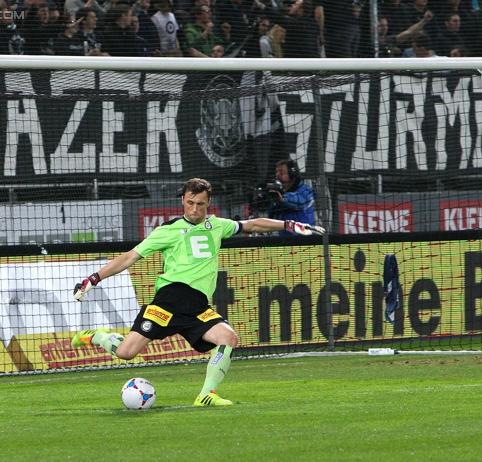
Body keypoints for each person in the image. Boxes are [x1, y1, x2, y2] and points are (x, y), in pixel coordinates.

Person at [70, 178, 322, 406]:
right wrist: (94, 278)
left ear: (208, 203)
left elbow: (252, 224)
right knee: (126, 352)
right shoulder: (167, 230)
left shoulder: (218, 225)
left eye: (200, 204)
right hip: (169, 301)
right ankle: (99, 337)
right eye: (190, 203)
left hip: (198, 306)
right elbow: (130, 257)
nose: (194, 209)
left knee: (228, 338)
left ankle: (206, 395)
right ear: (182, 200)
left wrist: (289, 223)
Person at [267, 159, 316, 236]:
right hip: (285, 241)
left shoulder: (306, 191)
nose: (277, 175)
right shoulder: (277, 195)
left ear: (292, 174)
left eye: (281, 172)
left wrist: (283, 199)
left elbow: (298, 200)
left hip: (305, 241)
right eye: (277, 172)